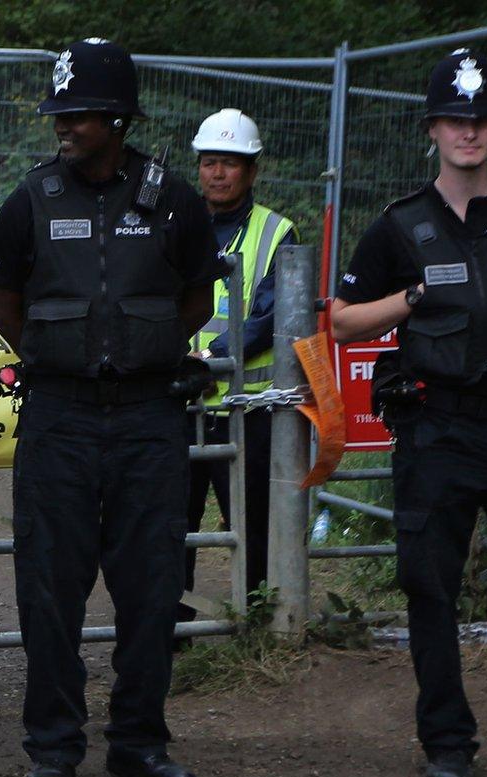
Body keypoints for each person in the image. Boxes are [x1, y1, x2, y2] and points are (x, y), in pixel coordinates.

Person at [0, 38, 221, 777]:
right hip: (60, 418)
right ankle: (53, 748)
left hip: (151, 417)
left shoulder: (174, 199)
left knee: (152, 588)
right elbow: (5, 303)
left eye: (76, 114)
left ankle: (139, 745)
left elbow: (198, 298)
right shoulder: (31, 200)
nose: (63, 126)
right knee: (49, 589)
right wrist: (66, 357)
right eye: (60, 113)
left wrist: (145, 350)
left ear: (115, 117)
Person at [331, 47, 487, 777]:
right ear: (432, 127)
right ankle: (448, 741)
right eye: (456, 119)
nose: (470, 131)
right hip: (438, 428)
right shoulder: (402, 226)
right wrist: (411, 301)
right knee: (430, 586)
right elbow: (341, 323)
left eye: (482, 118)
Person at [180, 108, 297, 629]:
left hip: (244, 409)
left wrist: (214, 358)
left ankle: (257, 628)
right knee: (170, 525)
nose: (218, 173)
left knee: (251, 522)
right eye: (210, 162)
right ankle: (171, 630)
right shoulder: (175, 226)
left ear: (251, 170)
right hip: (179, 402)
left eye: (230, 163)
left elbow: (272, 315)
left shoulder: (277, 232)